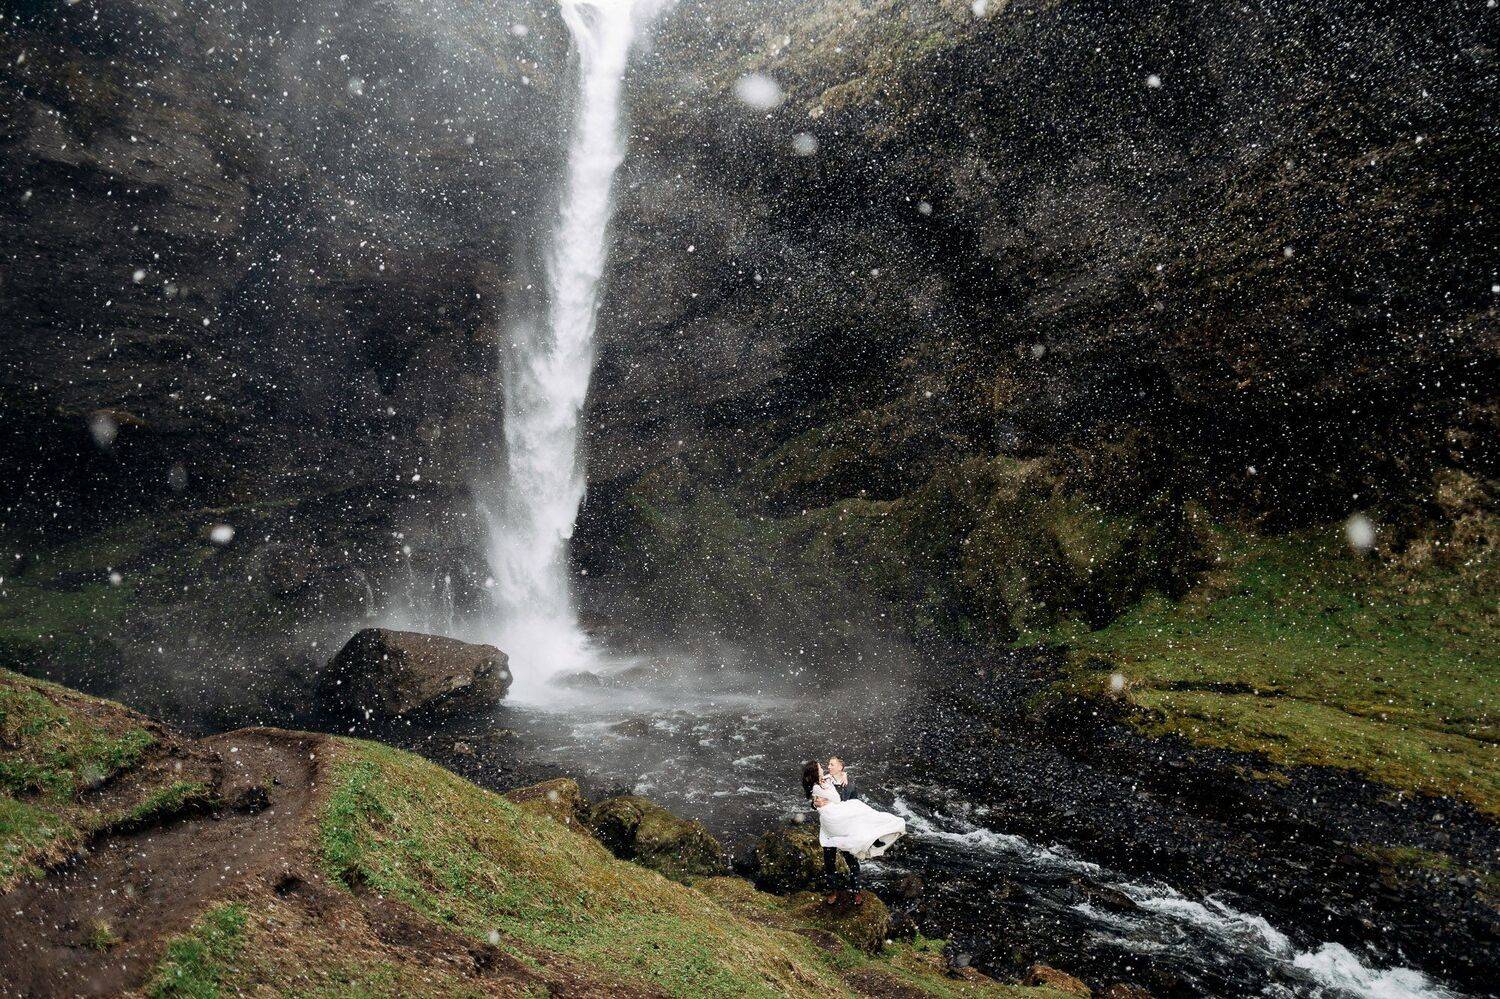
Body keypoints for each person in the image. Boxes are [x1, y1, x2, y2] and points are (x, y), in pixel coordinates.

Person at [801, 759, 905, 897]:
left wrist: (843, 777)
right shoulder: (824, 781)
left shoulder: (848, 784)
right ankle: (833, 891)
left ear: (841, 768)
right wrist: (815, 803)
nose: (828, 767)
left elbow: (853, 807)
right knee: (830, 861)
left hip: (845, 824)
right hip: (832, 825)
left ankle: (857, 891)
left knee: (851, 859)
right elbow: (818, 797)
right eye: (826, 766)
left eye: (832, 765)